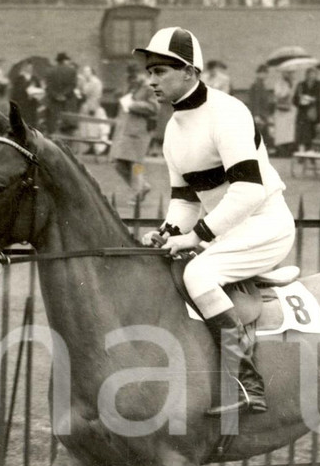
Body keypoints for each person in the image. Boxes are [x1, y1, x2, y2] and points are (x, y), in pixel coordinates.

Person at [135, 27, 296, 416]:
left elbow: (249, 191)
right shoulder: (173, 129)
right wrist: (168, 232)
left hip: (265, 224)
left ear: (190, 72)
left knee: (198, 275)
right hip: (228, 229)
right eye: (149, 71)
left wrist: (195, 237)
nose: (151, 80)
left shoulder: (228, 112)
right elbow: (186, 199)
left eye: (160, 71)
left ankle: (247, 381)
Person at [109, 62, 159, 206]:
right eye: (130, 75)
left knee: (136, 163)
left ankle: (137, 193)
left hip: (140, 131)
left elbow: (154, 107)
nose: (133, 78)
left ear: (142, 74)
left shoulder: (150, 87)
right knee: (118, 163)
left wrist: (133, 105)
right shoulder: (129, 85)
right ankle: (142, 186)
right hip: (124, 130)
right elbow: (119, 98)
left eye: (135, 75)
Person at [44, 51, 78, 135]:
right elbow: (72, 85)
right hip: (68, 103)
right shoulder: (72, 71)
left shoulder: (50, 71)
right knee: (67, 130)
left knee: (53, 128)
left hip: (54, 104)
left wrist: (57, 96)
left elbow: (48, 87)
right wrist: (64, 95)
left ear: (57, 61)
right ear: (64, 60)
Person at [292, 65, 320, 150]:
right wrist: (300, 101)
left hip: (315, 114)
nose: (311, 76)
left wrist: (312, 99)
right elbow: (295, 100)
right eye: (309, 74)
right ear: (306, 75)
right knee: (302, 136)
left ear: (316, 75)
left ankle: (312, 155)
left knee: (314, 135)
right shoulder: (301, 85)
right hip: (303, 114)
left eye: (313, 74)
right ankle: (302, 154)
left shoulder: (319, 85)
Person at [247, 64, 274, 153]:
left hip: (262, 113)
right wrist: (256, 115)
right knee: (259, 133)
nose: (265, 75)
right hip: (259, 114)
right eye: (263, 73)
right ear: (259, 73)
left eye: (266, 73)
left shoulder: (261, 85)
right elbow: (255, 101)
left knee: (261, 134)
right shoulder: (257, 86)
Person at [271, 65, 296, 158]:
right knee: (281, 132)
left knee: (289, 131)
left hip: (290, 109)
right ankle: (281, 151)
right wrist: (287, 91)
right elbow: (278, 94)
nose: (290, 74)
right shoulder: (279, 83)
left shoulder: (293, 82)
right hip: (281, 109)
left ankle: (289, 150)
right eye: (287, 73)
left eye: (291, 72)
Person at [9, 60, 42, 126]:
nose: (29, 69)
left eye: (31, 68)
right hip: (22, 103)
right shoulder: (19, 79)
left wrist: (35, 94)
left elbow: (39, 89)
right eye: (28, 68)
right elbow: (15, 92)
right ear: (24, 68)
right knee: (22, 119)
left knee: (32, 120)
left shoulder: (35, 78)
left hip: (32, 103)